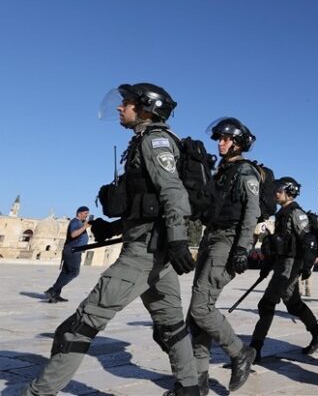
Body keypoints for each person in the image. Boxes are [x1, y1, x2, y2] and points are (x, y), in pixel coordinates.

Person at [25, 83, 199, 396]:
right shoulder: (144, 140)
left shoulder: (155, 141)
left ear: (145, 108)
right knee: (172, 325)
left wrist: (177, 239)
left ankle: (38, 392)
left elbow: (173, 193)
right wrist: (115, 227)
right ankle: (189, 388)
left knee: (81, 325)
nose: (120, 107)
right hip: (152, 250)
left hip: (144, 254)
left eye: (127, 103)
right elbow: (147, 205)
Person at [187, 117, 265, 395]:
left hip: (228, 240)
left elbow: (251, 212)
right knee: (195, 314)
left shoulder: (245, 171)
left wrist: (242, 248)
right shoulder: (222, 170)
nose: (220, 143)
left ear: (238, 143)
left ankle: (240, 352)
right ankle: (199, 380)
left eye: (225, 139)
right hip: (211, 237)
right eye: (219, 138)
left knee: (201, 308)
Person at [249, 176, 318, 363]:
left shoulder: (296, 213)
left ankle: (254, 349)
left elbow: (309, 241)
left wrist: (307, 266)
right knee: (293, 304)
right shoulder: (281, 214)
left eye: (279, 190)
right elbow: (277, 246)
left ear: (289, 192)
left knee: (266, 304)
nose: (276, 194)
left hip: (290, 264)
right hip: (281, 263)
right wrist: (266, 267)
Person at [44, 206, 91, 303]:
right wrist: (84, 227)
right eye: (85, 213)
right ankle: (52, 290)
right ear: (79, 213)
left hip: (72, 251)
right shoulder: (75, 222)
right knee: (74, 272)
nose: (87, 215)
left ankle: (55, 295)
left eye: (87, 214)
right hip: (73, 251)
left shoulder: (79, 223)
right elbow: (73, 234)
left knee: (65, 273)